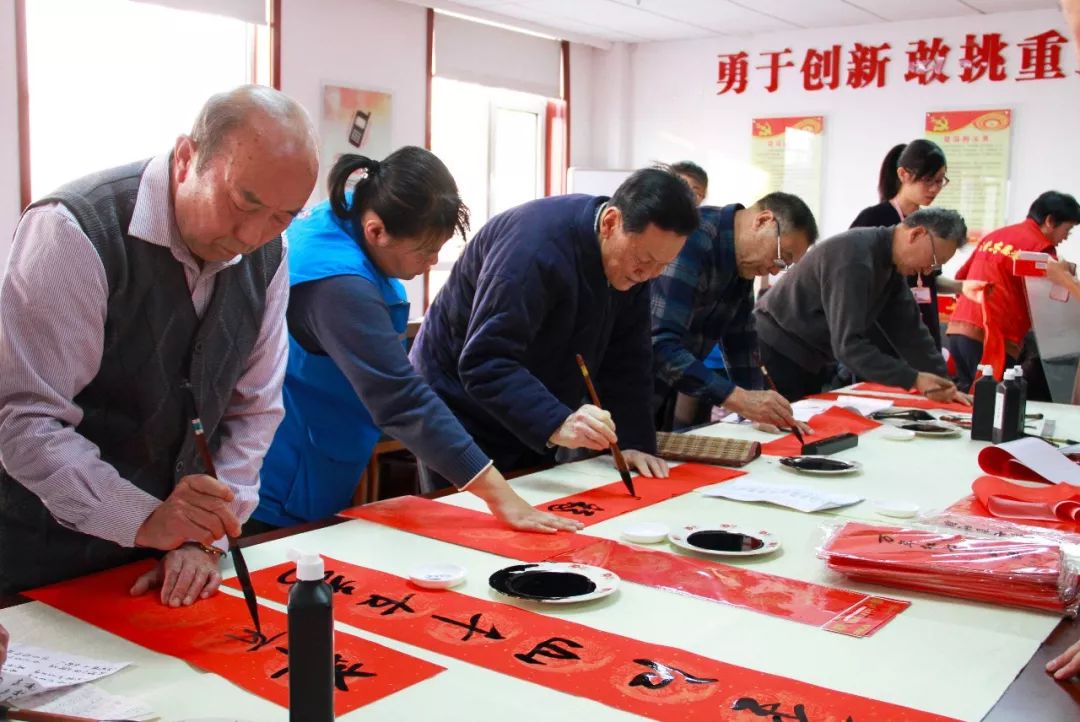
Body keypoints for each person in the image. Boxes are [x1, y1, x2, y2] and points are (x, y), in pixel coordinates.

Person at [0, 86, 319, 606]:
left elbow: (254, 411)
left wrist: (203, 535)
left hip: (169, 563)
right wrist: (144, 518)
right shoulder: (73, 231)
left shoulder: (269, 255)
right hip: (46, 560)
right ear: (187, 158)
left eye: (283, 216)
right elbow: (26, 419)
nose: (252, 235)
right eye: (243, 202)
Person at [251, 148, 581, 534]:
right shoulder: (337, 285)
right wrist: (501, 497)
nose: (432, 262)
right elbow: (402, 400)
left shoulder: (356, 208)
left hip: (319, 445)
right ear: (376, 231)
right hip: (282, 472)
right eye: (425, 250)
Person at [411, 168, 699, 479]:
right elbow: (485, 361)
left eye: (663, 265)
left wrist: (634, 442)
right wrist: (556, 421)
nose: (650, 275)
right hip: (456, 403)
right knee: (471, 506)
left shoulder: (632, 266)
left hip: (528, 402)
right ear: (610, 223)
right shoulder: (532, 249)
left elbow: (628, 360)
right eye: (644, 261)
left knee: (537, 502)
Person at [754, 207, 970, 404]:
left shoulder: (890, 264)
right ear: (917, 234)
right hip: (775, 350)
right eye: (934, 260)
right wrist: (914, 379)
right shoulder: (854, 257)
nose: (930, 270)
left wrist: (944, 385)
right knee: (783, 427)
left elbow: (910, 332)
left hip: (811, 358)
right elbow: (848, 346)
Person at [652, 192, 818, 431]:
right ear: (763, 221)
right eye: (781, 258)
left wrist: (760, 409)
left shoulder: (742, 261)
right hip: (621, 385)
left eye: (784, 266)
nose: (774, 271)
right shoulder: (695, 238)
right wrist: (739, 399)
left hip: (663, 388)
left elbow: (741, 338)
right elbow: (660, 344)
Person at [945, 191, 1080, 390]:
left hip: (959, 329)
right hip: (992, 339)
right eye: (1067, 230)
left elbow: (962, 277)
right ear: (1050, 221)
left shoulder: (995, 236)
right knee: (990, 401)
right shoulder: (1041, 249)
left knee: (966, 397)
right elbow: (1053, 300)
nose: (1066, 237)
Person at [851, 139, 958, 349]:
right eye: (928, 180)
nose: (935, 189)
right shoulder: (873, 219)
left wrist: (961, 287)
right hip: (885, 334)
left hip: (924, 329)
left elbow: (930, 279)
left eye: (940, 181)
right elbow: (855, 279)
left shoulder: (931, 224)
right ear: (903, 175)